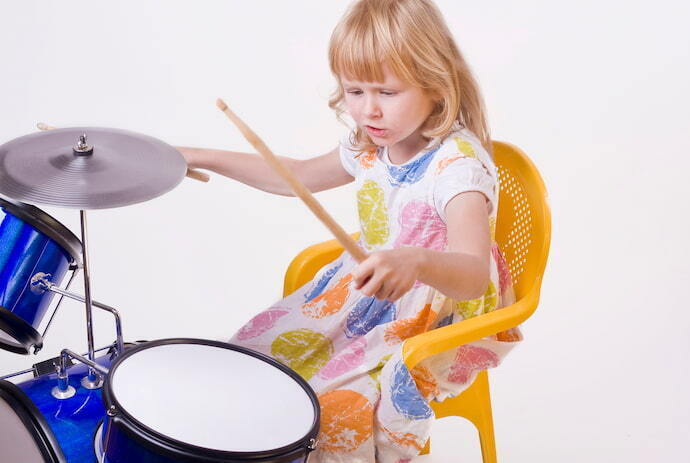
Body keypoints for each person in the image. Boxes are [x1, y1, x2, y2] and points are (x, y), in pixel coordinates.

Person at [179, 0, 520, 461]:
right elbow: (292, 176)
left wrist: (415, 260)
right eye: (355, 91)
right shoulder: (370, 144)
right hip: (369, 294)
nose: (369, 111)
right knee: (255, 365)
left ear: (436, 86)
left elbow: (473, 273)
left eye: (387, 92)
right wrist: (198, 157)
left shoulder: (456, 168)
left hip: (436, 318)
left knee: (330, 411)